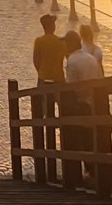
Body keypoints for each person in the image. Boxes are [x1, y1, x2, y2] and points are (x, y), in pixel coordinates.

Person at [62, 29, 103, 183]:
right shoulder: (91, 58)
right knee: (91, 138)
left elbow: (70, 88)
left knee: (79, 139)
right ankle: (94, 170)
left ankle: (76, 175)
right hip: (95, 102)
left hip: (81, 105)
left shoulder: (72, 61)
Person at [33, 14, 66, 85]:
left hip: (43, 77)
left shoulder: (39, 41)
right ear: (53, 26)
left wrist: (42, 71)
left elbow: (36, 60)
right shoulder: (61, 41)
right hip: (58, 77)